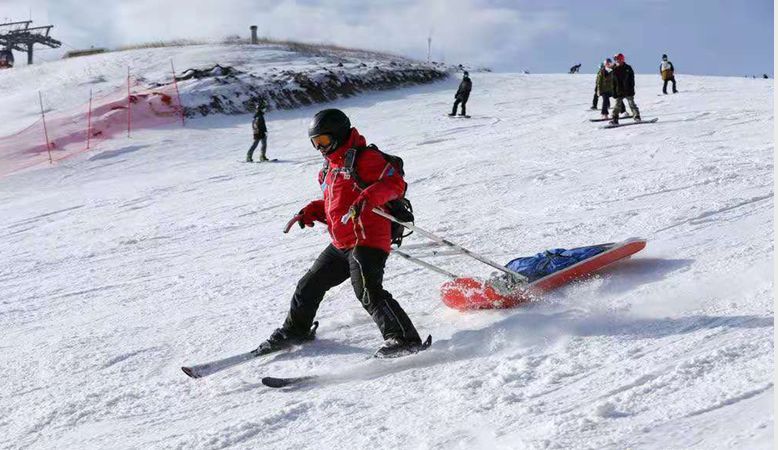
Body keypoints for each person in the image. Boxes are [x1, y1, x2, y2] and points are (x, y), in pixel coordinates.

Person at [257, 109, 425, 358]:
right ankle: (296, 330)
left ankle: (404, 338)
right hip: (342, 242)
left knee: (367, 290)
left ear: (338, 134)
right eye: (315, 143)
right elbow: (333, 204)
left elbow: (395, 184)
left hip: (368, 238)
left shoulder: (365, 158)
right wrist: (311, 211)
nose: (320, 148)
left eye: (323, 141)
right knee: (309, 285)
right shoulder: (328, 169)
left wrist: (367, 197)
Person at [609, 53, 641, 125]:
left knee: (631, 104)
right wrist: (613, 92)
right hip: (619, 90)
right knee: (617, 106)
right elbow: (613, 82)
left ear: (622, 59)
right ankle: (614, 119)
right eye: (616, 59)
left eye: (619, 59)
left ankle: (637, 117)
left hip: (628, 90)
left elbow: (632, 80)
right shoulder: (614, 69)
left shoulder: (628, 68)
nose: (618, 61)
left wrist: (632, 89)